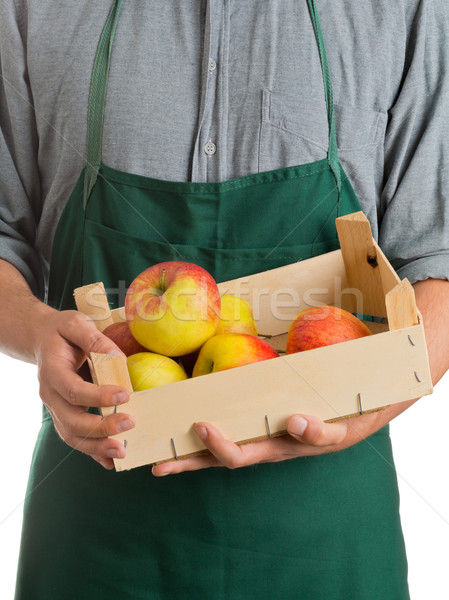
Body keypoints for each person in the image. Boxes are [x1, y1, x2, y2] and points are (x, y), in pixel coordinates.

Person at [1, 1, 448, 598]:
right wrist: (36, 331)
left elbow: (439, 262)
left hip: (325, 531)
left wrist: (365, 412)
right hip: (99, 529)